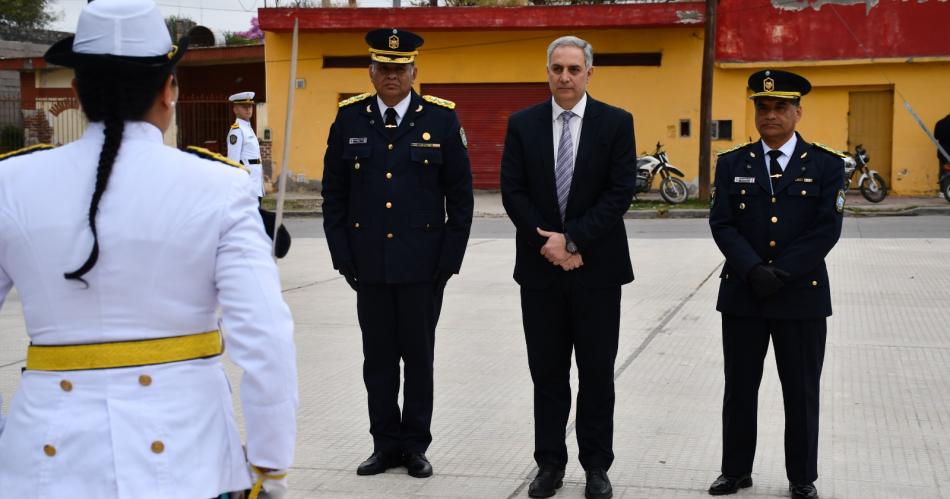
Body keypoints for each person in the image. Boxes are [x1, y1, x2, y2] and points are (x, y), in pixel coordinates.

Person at [0, 1, 297, 498]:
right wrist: (270, 463)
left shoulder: (10, 182)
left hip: (43, 461)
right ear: (169, 90)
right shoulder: (219, 188)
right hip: (189, 458)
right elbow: (266, 339)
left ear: (77, 92)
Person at [321, 28, 474, 479]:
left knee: (419, 359)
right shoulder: (349, 119)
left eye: (400, 68)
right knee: (378, 360)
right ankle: (384, 444)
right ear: (371, 72)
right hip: (368, 265)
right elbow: (334, 194)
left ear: (414, 72)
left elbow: (460, 199)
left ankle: (415, 446)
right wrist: (341, 255)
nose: (392, 76)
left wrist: (447, 263)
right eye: (384, 68)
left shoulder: (442, 119)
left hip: (423, 268)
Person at [500, 35, 636, 499]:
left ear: (589, 73)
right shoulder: (522, 124)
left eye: (573, 69)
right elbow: (512, 191)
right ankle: (549, 466)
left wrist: (574, 239)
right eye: (557, 68)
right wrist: (551, 244)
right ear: (547, 72)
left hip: (597, 272)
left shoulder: (617, 123)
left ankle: (596, 467)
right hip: (540, 273)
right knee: (548, 376)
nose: (564, 76)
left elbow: (620, 193)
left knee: (597, 375)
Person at [707, 69, 846, 499]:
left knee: (801, 391)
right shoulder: (732, 162)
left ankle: (801, 478)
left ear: (798, 112)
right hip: (744, 293)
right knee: (740, 387)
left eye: (780, 107)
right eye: (763, 107)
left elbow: (826, 229)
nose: (771, 115)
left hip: (800, 295)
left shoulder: (826, 164)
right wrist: (753, 270)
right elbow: (722, 223)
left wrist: (781, 271)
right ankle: (735, 471)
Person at [227, 91, 265, 199]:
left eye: (250, 106)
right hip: (246, 185)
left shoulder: (248, 128)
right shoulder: (237, 130)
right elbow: (233, 161)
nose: (248, 109)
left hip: (255, 183)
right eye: (244, 106)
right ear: (235, 110)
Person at [934, 113, 950, 182]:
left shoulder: (940, 123)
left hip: (942, 152)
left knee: (943, 171)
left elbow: (936, 136)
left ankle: (942, 190)